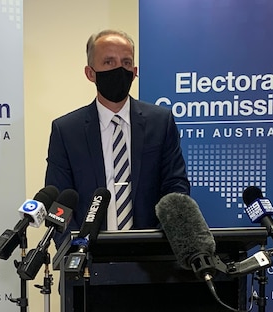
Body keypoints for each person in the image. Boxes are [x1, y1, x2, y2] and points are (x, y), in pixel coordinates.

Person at [45, 29, 190, 233]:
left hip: (150, 255)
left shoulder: (161, 122)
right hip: (87, 255)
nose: (119, 69)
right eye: (109, 62)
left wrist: (159, 246)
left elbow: (176, 187)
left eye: (126, 62)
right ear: (90, 73)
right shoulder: (66, 131)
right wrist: (74, 252)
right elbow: (59, 204)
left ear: (135, 72)